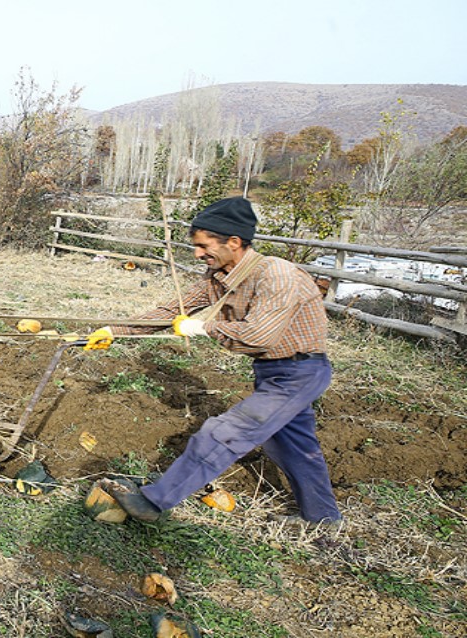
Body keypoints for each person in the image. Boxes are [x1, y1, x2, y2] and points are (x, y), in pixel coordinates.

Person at [84, 197, 342, 526]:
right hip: (272, 371)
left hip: (300, 372)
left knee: (224, 432)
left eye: (203, 246)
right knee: (292, 445)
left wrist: (203, 327)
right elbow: (170, 311)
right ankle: (323, 518)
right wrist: (115, 330)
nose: (197, 253)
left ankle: (154, 501)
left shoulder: (277, 276)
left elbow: (260, 335)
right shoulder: (219, 276)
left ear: (233, 242)